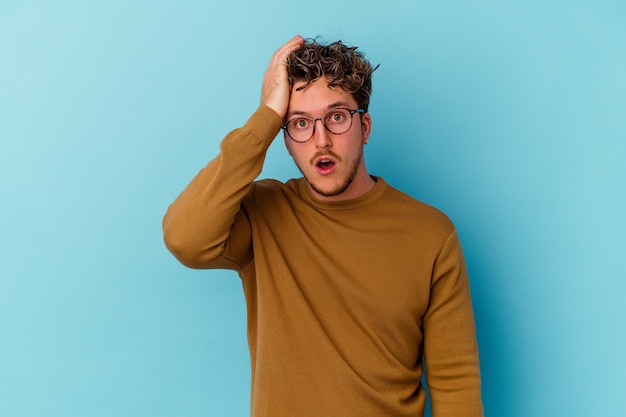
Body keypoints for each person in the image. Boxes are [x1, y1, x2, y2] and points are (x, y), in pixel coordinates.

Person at [163, 35, 483, 417]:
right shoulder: (263, 214)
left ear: (364, 126)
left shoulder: (431, 233)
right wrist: (265, 117)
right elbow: (185, 238)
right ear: (283, 141)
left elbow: (455, 382)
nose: (321, 140)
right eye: (299, 123)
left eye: (336, 117)